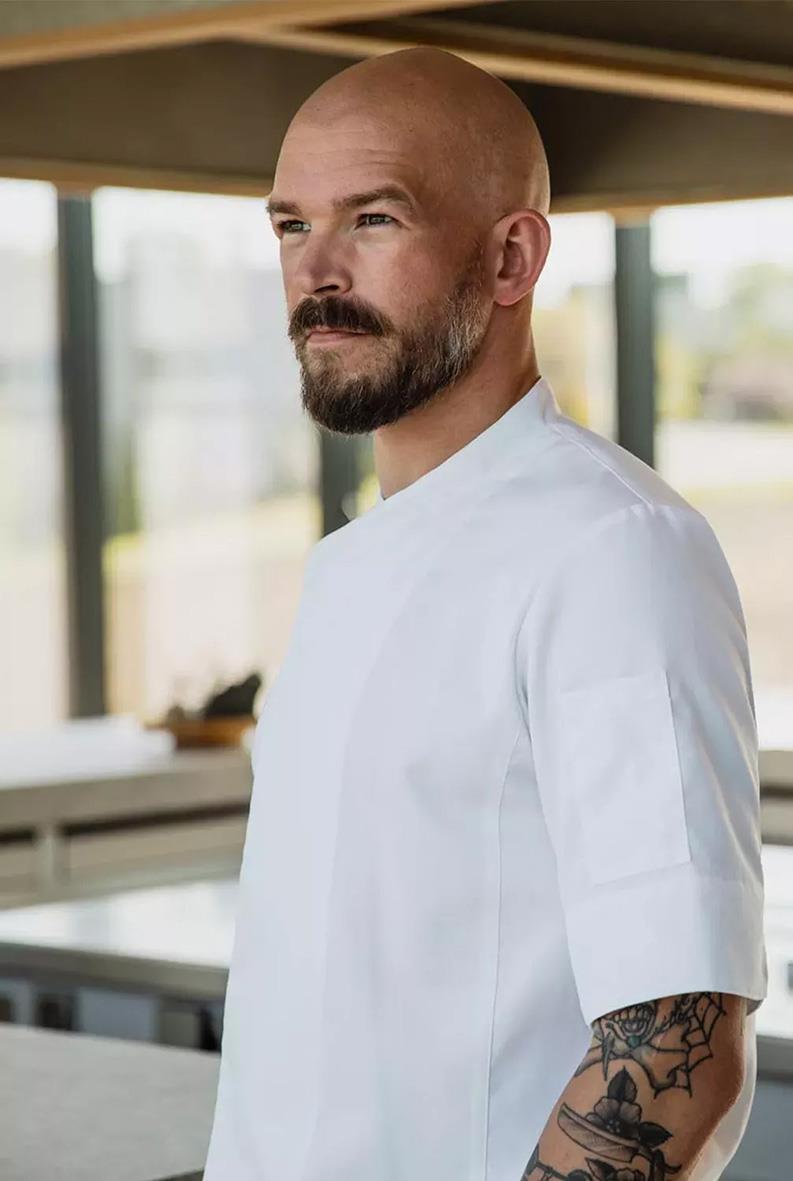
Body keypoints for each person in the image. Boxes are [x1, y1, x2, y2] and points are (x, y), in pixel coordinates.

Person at [202, 47, 767, 1181]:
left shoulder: (609, 548)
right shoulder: (349, 567)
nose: (315, 269)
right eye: (290, 224)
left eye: (373, 218)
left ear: (512, 257)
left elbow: (678, 1039)